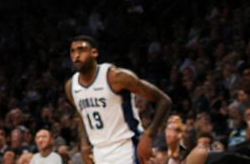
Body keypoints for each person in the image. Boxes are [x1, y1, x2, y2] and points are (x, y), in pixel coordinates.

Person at [66, 36, 171, 164]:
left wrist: (148, 135)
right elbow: (81, 115)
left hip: (126, 148)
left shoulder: (115, 77)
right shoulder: (71, 86)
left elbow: (164, 100)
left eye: (81, 50)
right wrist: (84, 143)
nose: (76, 55)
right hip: (99, 152)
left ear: (94, 52)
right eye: (72, 51)